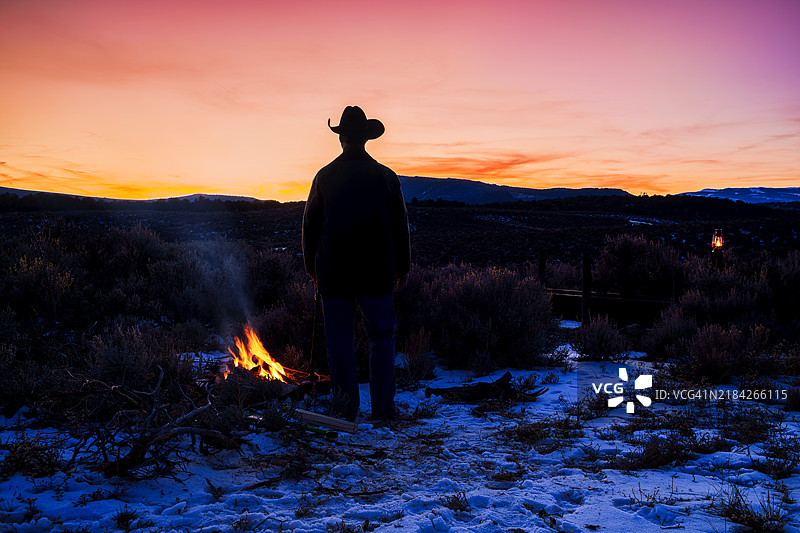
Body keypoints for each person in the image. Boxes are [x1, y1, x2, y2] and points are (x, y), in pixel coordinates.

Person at [302, 106, 410, 421]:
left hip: (334, 273)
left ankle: (345, 409)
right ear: (366, 139)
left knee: (339, 340)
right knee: (381, 337)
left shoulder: (324, 176)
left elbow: (310, 225)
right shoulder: (386, 177)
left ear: (341, 139)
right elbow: (400, 227)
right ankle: (383, 411)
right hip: (377, 274)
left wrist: (312, 267)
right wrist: (403, 267)